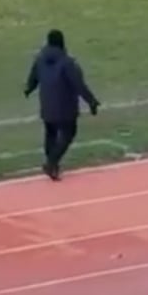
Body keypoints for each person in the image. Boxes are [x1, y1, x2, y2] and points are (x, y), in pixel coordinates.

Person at [24, 29, 100, 181]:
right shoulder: (67, 62)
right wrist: (91, 101)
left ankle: (52, 164)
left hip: (46, 104)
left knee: (50, 133)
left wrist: (28, 89)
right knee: (68, 133)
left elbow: (33, 79)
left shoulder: (40, 59)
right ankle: (51, 163)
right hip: (66, 107)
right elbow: (79, 85)